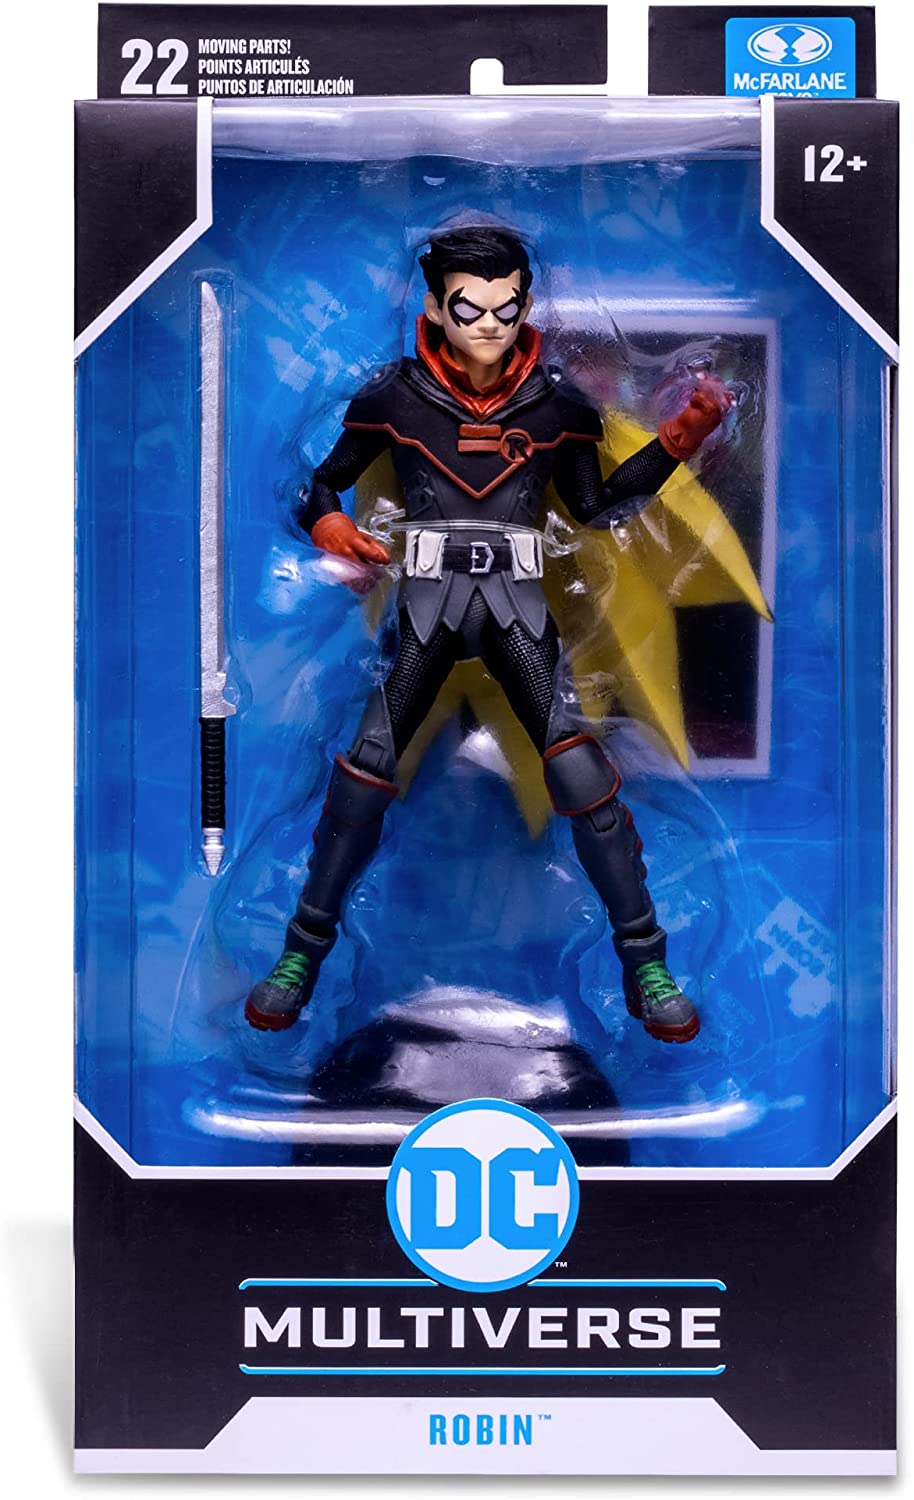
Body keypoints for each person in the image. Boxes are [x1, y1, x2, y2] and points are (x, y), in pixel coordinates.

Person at [245, 226, 732, 1043]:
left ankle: (646, 964)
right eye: (470, 308)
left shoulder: (556, 405)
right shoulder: (394, 397)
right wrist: (329, 525)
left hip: (517, 602)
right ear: (436, 307)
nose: (490, 326)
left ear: (526, 304)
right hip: (427, 601)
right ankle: (299, 956)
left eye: (506, 309)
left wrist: (677, 440)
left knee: (582, 774)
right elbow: (320, 483)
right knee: (364, 772)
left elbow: (596, 507)